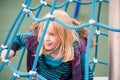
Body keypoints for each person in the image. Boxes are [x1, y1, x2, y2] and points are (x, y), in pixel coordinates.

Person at [0, 9, 95, 80]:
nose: (46, 38)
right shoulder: (37, 41)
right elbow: (18, 38)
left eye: (52, 34)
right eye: (44, 32)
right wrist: (11, 50)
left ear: (64, 37)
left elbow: (88, 74)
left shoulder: (76, 51)